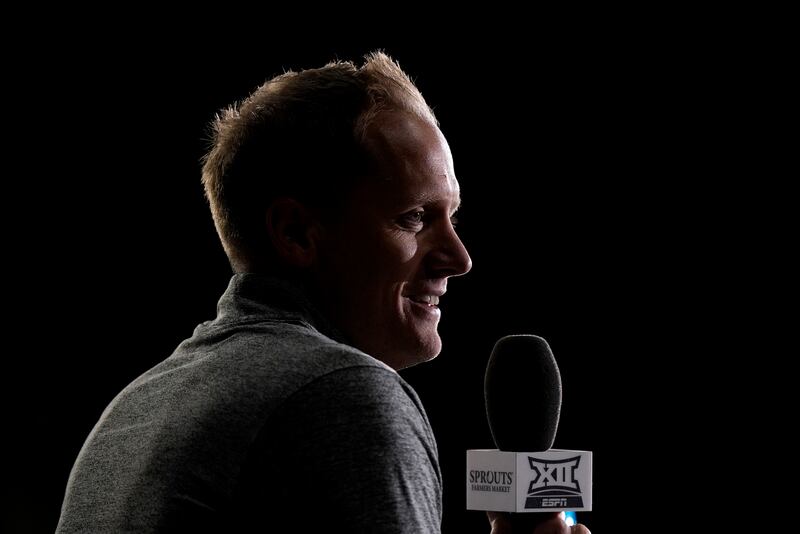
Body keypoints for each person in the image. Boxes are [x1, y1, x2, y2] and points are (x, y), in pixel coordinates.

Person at [56, 52, 589, 533]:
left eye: (452, 216)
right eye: (414, 217)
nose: (460, 258)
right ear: (296, 234)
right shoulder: (344, 394)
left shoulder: (132, 410)